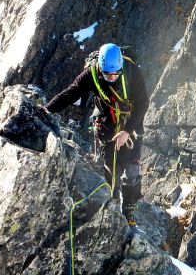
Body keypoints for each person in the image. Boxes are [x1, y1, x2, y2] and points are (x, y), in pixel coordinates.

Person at [43, 43, 149, 228]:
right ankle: (114, 203)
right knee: (111, 169)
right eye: (108, 74)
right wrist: (46, 110)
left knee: (131, 171)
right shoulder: (92, 73)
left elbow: (142, 103)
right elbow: (70, 93)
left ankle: (129, 210)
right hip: (107, 123)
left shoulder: (131, 70)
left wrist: (126, 131)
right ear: (100, 68)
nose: (112, 77)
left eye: (116, 73)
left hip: (130, 124)